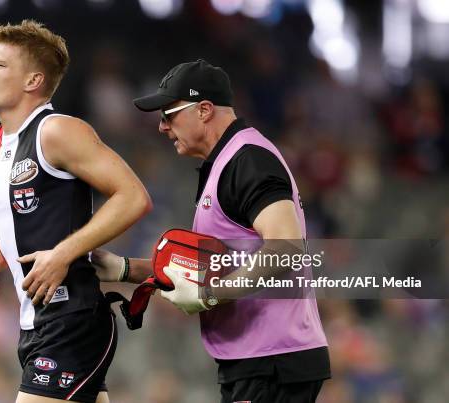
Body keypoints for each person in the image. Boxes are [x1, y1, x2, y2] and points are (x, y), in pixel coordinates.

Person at [93, 59, 330, 403]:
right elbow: (214, 264)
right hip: (257, 361)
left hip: (272, 361)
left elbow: (287, 246)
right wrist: (125, 269)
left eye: (169, 115)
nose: (161, 127)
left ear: (204, 110)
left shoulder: (247, 159)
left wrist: (210, 295)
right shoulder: (226, 161)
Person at [0, 20, 152, 403]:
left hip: (72, 317)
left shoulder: (57, 131)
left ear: (33, 80)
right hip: (34, 323)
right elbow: (24, 218)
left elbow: (133, 197)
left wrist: (64, 253)